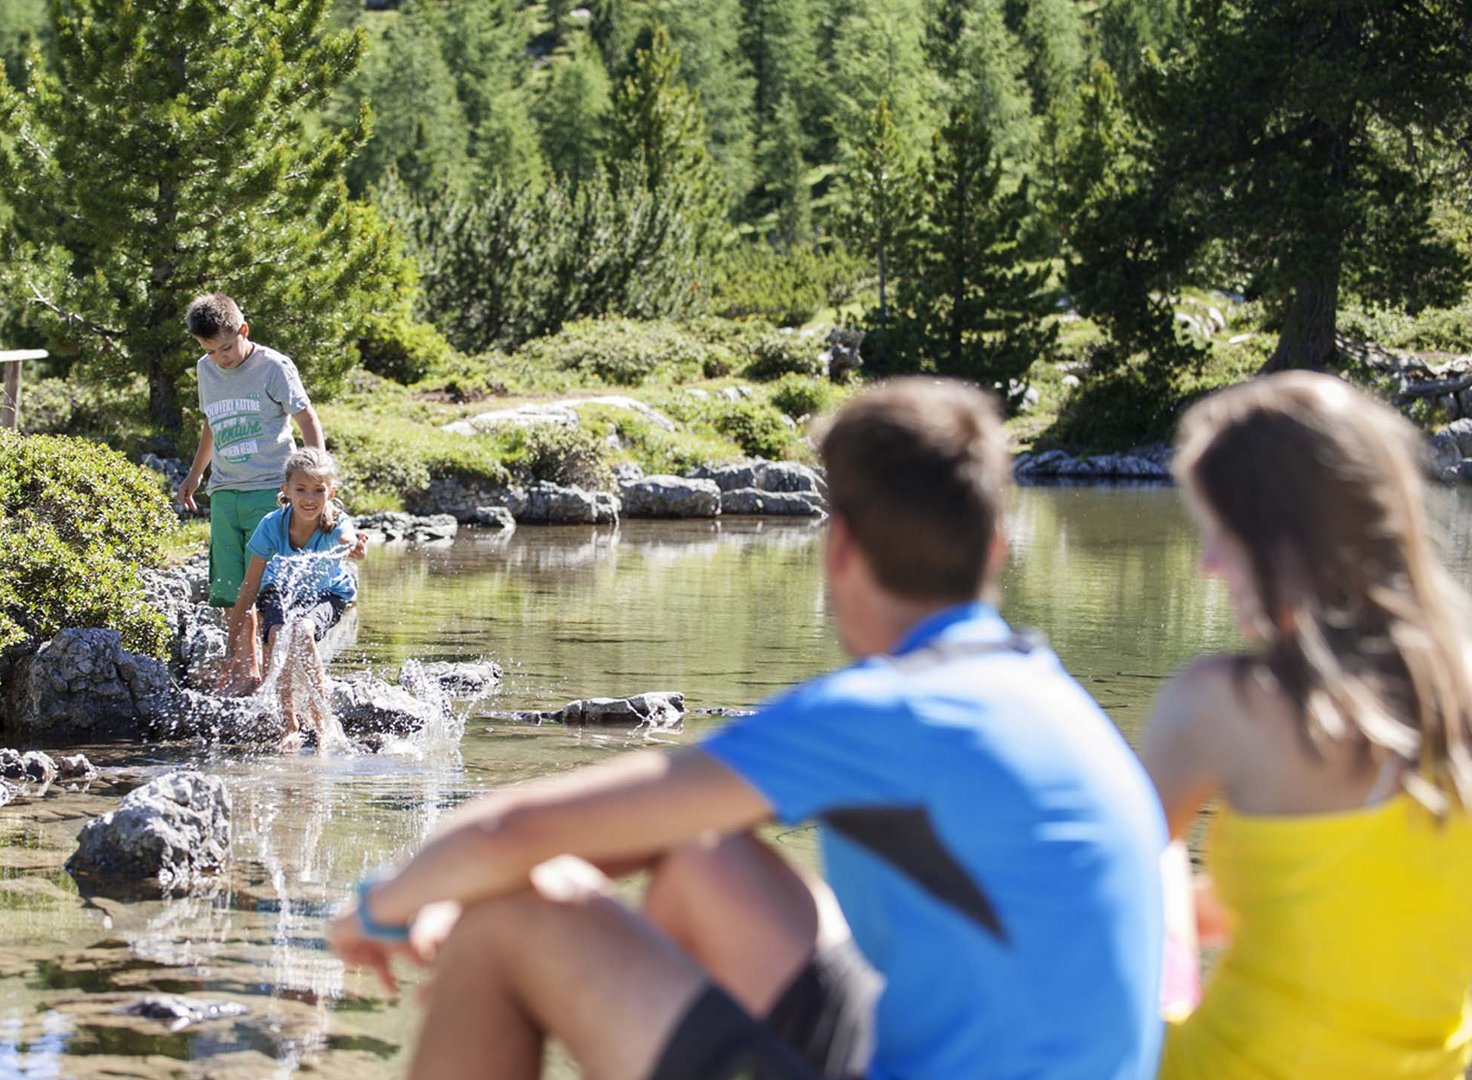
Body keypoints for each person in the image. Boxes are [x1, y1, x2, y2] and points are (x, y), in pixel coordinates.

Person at [328, 378, 1167, 1080]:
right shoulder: (1046, 693)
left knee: (510, 924)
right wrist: (466, 879)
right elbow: (641, 829)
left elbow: (514, 826)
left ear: (837, 551)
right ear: (996, 549)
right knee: (705, 851)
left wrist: (388, 904)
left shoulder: (883, 710)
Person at [1142, 372, 1472, 1080]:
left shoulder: (1220, 704)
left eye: (1222, 534)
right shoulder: (1460, 694)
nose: (1207, 565)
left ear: (1285, 541)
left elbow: (1095, 891)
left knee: (1151, 857)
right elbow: (1364, 905)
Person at [174, 293, 325, 694]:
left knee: (268, 588)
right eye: (210, 350)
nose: (220, 357)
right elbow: (211, 424)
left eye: (226, 347)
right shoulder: (205, 370)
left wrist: (318, 478)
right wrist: (195, 475)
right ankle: (247, 674)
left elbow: (306, 418)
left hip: (269, 490)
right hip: (224, 492)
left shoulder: (273, 367)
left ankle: (280, 679)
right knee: (229, 588)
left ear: (243, 330)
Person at [236, 447, 366, 752]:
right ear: (286, 491)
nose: (310, 498)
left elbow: (350, 541)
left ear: (330, 492)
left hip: (329, 593)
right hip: (278, 589)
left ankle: (323, 725)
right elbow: (250, 584)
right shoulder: (271, 525)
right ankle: (289, 726)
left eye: (319, 490)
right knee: (280, 635)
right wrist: (233, 642)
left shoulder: (337, 522)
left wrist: (357, 549)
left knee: (304, 632)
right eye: (301, 490)